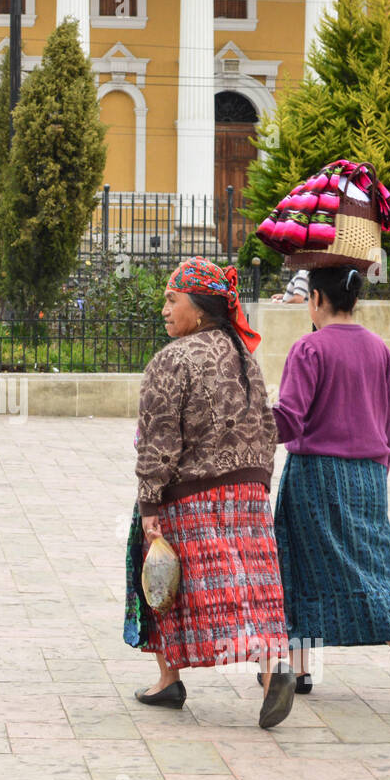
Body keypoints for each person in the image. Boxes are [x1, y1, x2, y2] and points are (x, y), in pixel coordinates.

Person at [127, 256, 296, 730]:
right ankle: (271, 671)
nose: (163, 308)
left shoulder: (172, 359)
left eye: (171, 299)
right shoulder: (243, 356)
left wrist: (149, 504)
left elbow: (159, 437)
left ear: (198, 309)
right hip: (248, 490)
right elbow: (267, 424)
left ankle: (168, 678)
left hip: (190, 492)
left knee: (163, 580)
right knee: (254, 584)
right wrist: (259, 482)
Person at [270, 265, 390, 710]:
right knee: (375, 565)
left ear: (317, 298)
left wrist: (247, 422)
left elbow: (289, 419)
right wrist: (377, 471)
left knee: (299, 562)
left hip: (316, 473)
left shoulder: (308, 348)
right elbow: (389, 424)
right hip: (370, 475)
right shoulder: (380, 350)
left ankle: (299, 666)